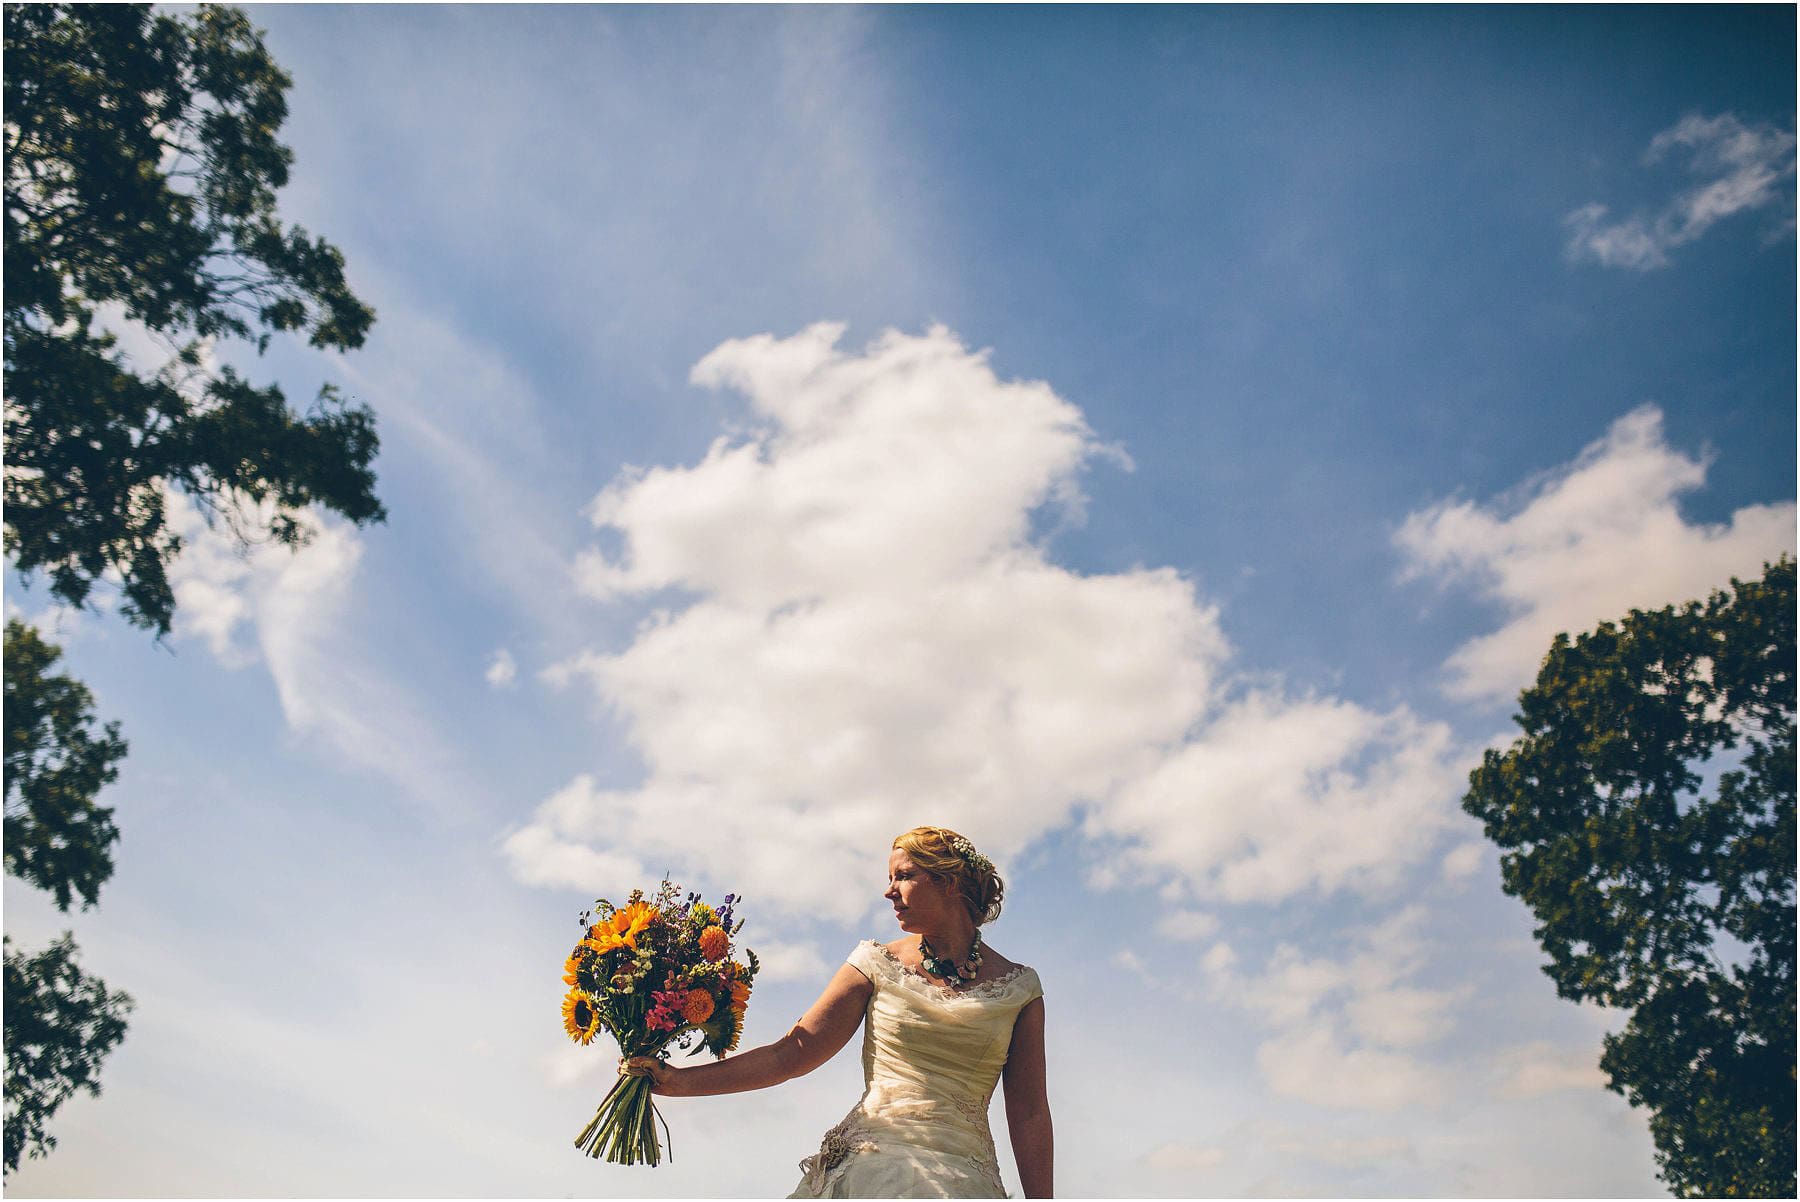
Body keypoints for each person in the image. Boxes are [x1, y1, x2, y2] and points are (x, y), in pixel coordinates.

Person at [620, 825, 1053, 1198]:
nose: (889, 891)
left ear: (950, 884)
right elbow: (791, 1054)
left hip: (967, 1182)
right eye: (889, 878)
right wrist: (680, 1081)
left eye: (904, 876)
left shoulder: (1020, 989)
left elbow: (1030, 1112)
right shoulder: (874, 962)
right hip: (872, 1168)